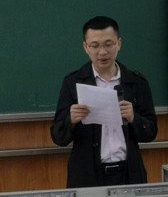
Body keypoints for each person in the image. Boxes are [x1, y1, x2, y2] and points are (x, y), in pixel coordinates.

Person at [51, 16, 158, 188]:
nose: (102, 52)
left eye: (108, 44)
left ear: (119, 44)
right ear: (86, 47)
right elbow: (58, 137)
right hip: (87, 177)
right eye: (95, 46)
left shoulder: (136, 82)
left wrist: (134, 118)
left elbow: (151, 133)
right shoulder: (73, 83)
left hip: (129, 174)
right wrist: (71, 120)